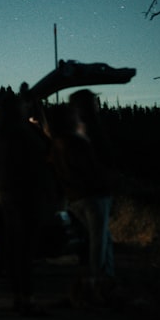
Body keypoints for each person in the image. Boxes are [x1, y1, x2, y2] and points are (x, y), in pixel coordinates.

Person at [48, 90, 115, 307]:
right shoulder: (77, 138)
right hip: (92, 195)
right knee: (98, 241)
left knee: (99, 239)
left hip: (78, 197)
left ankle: (101, 283)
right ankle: (97, 287)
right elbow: (90, 167)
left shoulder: (59, 140)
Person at [0, 93, 57, 316]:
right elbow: (46, 149)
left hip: (10, 195)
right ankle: (26, 300)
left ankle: (19, 298)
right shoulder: (22, 134)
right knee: (26, 251)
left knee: (16, 250)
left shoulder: (1, 133)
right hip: (27, 196)